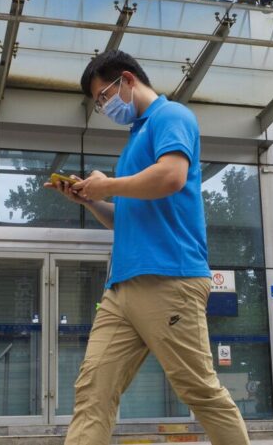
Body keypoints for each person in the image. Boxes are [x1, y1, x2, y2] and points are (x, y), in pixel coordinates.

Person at [46, 50, 250, 445]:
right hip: (121, 288)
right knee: (93, 391)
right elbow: (126, 219)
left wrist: (107, 184)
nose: (103, 107)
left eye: (103, 96)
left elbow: (172, 176)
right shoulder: (134, 137)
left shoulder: (171, 116)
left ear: (126, 79)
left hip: (169, 278)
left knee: (200, 392)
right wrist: (89, 198)